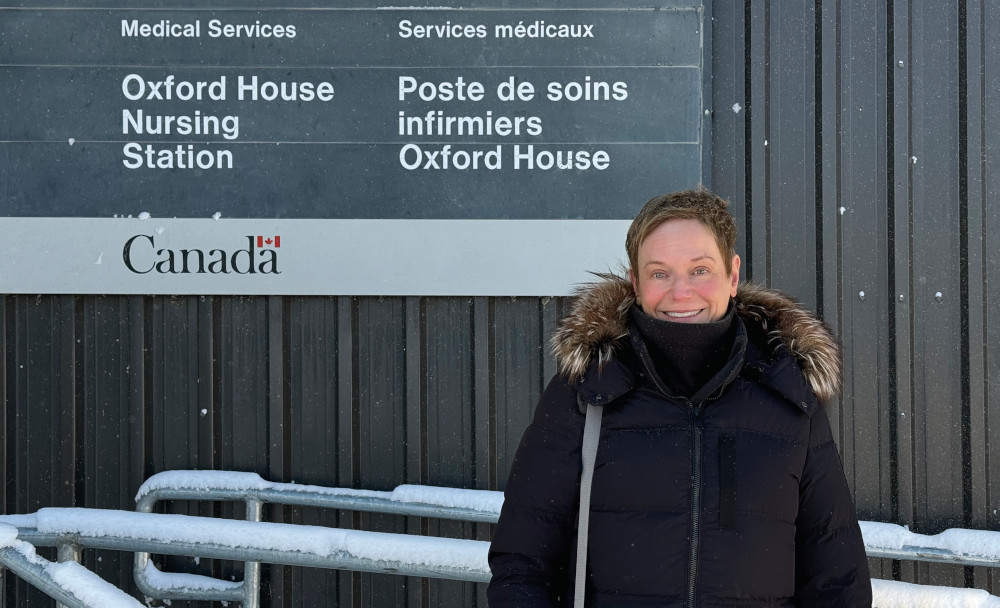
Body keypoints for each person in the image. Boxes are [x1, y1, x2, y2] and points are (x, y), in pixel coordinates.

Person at [487, 188, 872, 607]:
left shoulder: (788, 394)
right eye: (659, 273)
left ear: (732, 273)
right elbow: (523, 565)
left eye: (700, 270)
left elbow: (837, 579)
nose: (681, 292)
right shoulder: (587, 390)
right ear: (635, 282)